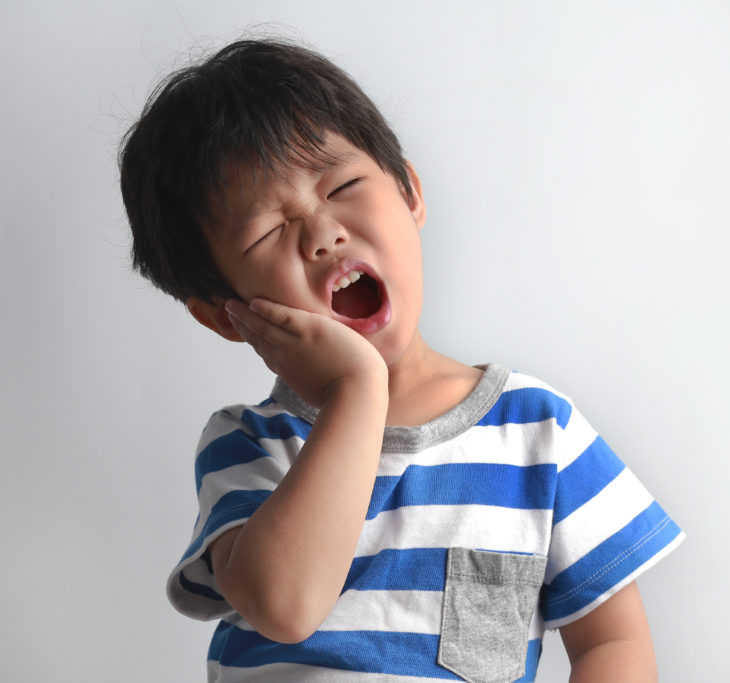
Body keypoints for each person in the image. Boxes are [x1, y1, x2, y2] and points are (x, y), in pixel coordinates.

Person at [120, 37, 683, 682]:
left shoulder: (539, 434)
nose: (323, 233)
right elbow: (285, 606)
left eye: (345, 185)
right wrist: (356, 390)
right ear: (225, 314)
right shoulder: (250, 445)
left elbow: (614, 645)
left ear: (411, 193)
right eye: (270, 230)